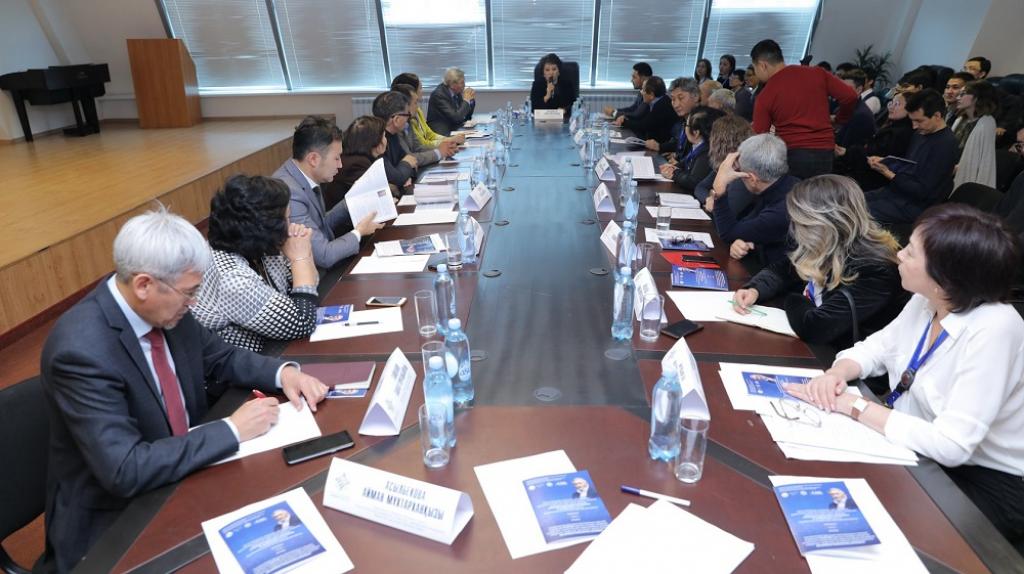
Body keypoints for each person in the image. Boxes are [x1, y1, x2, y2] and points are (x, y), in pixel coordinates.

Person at [39, 209, 329, 572]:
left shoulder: (164, 306)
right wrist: (232, 430)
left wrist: (283, 373)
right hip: (119, 523)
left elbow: (221, 356)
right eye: (189, 293)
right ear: (144, 285)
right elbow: (125, 469)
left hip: (186, 474)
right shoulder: (81, 350)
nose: (194, 303)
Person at [785, 203, 1024, 555]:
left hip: (983, 480)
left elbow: (952, 445)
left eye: (911, 252)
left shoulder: (996, 329)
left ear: (944, 278)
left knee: (868, 536)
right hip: (915, 446)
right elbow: (878, 348)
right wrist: (838, 372)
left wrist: (854, 406)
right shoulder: (929, 301)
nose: (899, 255)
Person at [732, 175, 908, 348]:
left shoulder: (876, 269)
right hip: (813, 347)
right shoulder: (830, 241)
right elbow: (783, 269)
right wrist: (755, 289)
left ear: (824, 223)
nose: (795, 228)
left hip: (837, 356)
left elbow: (816, 327)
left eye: (802, 223)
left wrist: (790, 298)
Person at [191, 175, 319, 354]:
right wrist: (301, 257)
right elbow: (302, 322)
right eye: (287, 218)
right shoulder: (232, 279)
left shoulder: (258, 247)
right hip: (247, 363)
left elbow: (309, 288)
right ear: (265, 228)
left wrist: (302, 253)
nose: (290, 225)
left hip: (276, 347)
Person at [276, 116, 383, 270]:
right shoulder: (290, 194)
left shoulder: (305, 174)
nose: (340, 165)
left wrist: (351, 201)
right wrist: (359, 232)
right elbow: (324, 255)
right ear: (313, 159)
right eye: (336, 158)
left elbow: (320, 226)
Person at [749, 39, 860, 178]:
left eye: (754, 68)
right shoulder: (817, 73)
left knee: (795, 192)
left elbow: (761, 138)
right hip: (825, 151)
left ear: (762, 65)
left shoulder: (765, 95)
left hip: (793, 154)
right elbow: (850, 96)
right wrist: (840, 120)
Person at [864, 89, 958, 226]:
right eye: (912, 120)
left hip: (915, 205)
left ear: (937, 116)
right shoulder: (921, 133)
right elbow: (909, 167)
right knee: (850, 199)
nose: (914, 126)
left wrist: (888, 173)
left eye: (919, 121)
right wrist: (886, 162)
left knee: (856, 210)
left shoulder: (946, 144)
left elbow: (923, 191)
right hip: (897, 193)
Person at [710, 133, 798, 268]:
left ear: (752, 179)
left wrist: (719, 189)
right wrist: (743, 239)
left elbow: (728, 232)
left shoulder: (782, 210)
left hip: (781, 274)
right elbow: (743, 227)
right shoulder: (786, 185)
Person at [835, 91, 914, 192]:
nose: (891, 107)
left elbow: (874, 156)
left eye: (897, 104)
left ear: (910, 108)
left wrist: (847, 152)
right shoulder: (894, 126)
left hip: (873, 178)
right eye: (891, 103)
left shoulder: (901, 133)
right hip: (864, 169)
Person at [325, 116, 389, 209]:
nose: (386, 140)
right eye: (384, 136)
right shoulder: (358, 164)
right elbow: (376, 196)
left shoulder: (351, 158)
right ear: (374, 141)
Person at [390, 72, 465, 151]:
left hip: (433, 145)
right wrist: (449, 141)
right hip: (428, 148)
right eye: (420, 88)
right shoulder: (407, 118)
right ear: (411, 91)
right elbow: (421, 145)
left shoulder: (417, 110)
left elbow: (429, 134)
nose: (422, 91)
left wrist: (449, 139)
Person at [659, 107, 723, 194]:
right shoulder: (698, 146)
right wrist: (672, 167)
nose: (685, 128)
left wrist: (674, 173)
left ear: (696, 133)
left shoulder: (706, 152)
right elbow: (685, 162)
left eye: (686, 125)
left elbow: (693, 181)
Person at [391, 83, 457, 169]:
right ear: (406, 105)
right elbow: (409, 159)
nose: (418, 107)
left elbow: (419, 147)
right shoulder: (395, 129)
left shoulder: (408, 122)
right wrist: (439, 153)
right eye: (415, 103)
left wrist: (444, 148)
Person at [696, 114, 754, 207]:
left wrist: (714, 200)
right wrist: (708, 199)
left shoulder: (745, 170)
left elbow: (730, 209)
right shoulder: (726, 163)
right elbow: (700, 187)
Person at [952, 80, 999, 189]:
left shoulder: (987, 123)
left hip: (964, 172)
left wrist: (959, 167)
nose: (958, 97)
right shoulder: (960, 119)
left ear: (977, 98)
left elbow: (981, 161)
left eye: (963, 94)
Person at [373, 90, 420, 192]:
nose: (408, 119)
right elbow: (396, 178)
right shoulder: (378, 141)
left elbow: (412, 162)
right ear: (396, 120)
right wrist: (402, 175)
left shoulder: (393, 135)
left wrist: (405, 175)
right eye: (407, 114)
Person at [645, 77, 700, 154]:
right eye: (673, 99)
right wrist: (676, 155)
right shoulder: (684, 120)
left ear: (696, 97)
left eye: (681, 98)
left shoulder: (701, 122)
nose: (676, 105)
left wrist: (660, 147)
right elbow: (679, 144)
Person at [619, 76, 676, 143]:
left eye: (643, 90)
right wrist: (625, 118)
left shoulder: (662, 105)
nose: (641, 92)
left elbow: (644, 125)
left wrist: (624, 122)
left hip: (660, 145)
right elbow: (639, 118)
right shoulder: (655, 101)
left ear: (651, 94)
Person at [426, 67, 476, 136]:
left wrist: (470, 100)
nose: (464, 85)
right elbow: (456, 117)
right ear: (452, 84)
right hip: (442, 131)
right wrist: (466, 100)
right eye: (462, 82)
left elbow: (466, 116)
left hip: (454, 127)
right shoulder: (439, 94)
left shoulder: (456, 92)